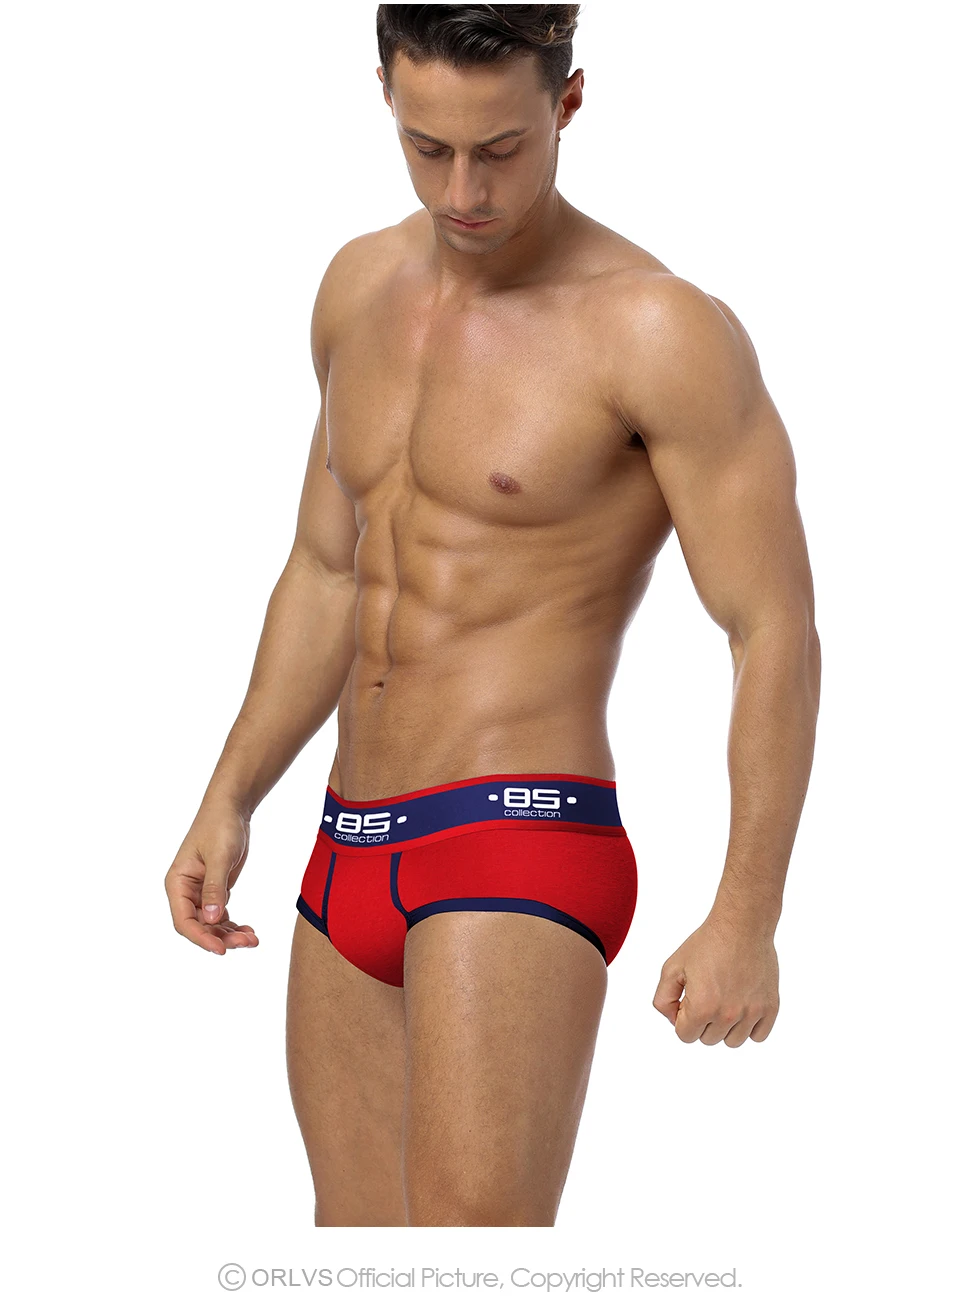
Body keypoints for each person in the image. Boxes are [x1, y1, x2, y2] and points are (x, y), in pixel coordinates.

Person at [164, 4, 821, 1227]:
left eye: (501, 150)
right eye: (427, 148)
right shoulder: (357, 288)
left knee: (474, 1270)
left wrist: (748, 911)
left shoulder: (657, 329)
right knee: (355, 1262)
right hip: (346, 845)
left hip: (515, 833)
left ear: (567, 104)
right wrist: (231, 791)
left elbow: (770, 626)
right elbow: (326, 569)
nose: (462, 190)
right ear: (384, 95)